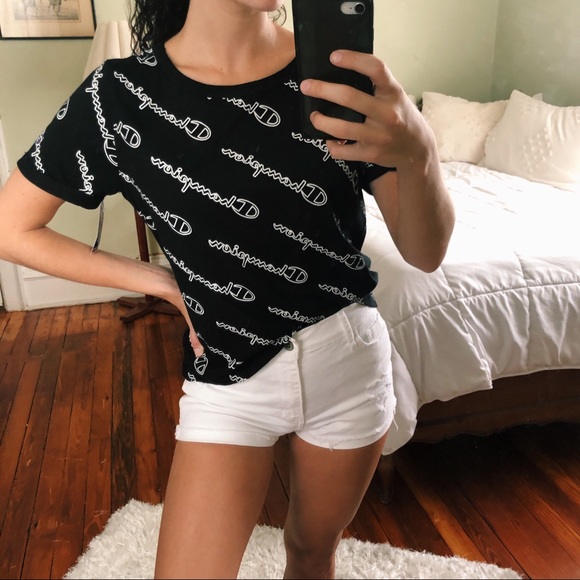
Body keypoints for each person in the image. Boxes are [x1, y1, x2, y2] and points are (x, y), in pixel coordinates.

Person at [0, 1, 455, 578]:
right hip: (229, 378)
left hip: (350, 362)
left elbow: (425, 253)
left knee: (312, 553)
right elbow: (10, 228)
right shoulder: (119, 97)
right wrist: (161, 283)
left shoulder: (335, 73)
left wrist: (421, 150)